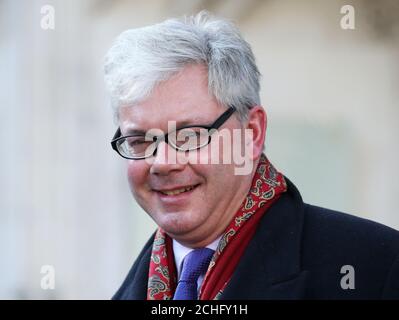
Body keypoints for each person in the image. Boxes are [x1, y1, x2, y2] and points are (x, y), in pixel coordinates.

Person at [104, 11, 399, 300]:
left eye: (190, 135)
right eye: (141, 140)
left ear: (252, 132)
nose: (164, 162)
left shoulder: (378, 268)